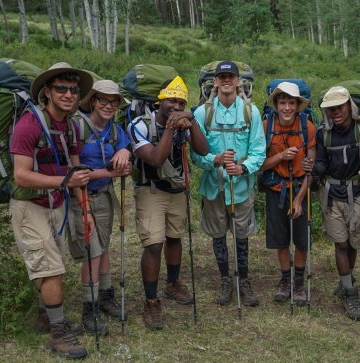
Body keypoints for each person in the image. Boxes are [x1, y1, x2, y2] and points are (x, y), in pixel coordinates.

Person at [12, 62, 93, 359]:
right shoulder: (29, 125)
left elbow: (76, 169)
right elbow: (21, 174)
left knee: (49, 263)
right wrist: (64, 181)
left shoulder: (70, 126)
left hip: (56, 203)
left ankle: (46, 316)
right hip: (29, 205)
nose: (69, 94)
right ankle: (58, 333)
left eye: (74, 89)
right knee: (52, 269)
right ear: (47, 92)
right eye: (62, 88)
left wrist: (85, 211)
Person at [127, 75, 210, 329]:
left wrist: (192, 122)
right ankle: (151, 303)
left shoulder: (185, 121)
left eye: (180, 102)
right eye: (171, 101)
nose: (175, 106)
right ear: (159, 101)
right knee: (153, 244)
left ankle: (172, 284)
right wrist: (173, 128)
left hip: (176, 189)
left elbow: (203, 150)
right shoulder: (140, 126)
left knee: (175, 237)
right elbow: (154, 159)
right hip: (150, 190)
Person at [191, 61, 266, 308]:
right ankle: (225, 279)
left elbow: (258, 150)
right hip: (214, 186)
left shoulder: (250, 112)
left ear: (237, 82)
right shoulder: (202, 114)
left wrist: (243, 168)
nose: (226, 80)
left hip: (242, 187)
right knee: (218, 235)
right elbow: (195, 154)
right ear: (215, 81)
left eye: (230, 76)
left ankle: (243, 280)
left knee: (241, 235)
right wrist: (215, 160)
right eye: (221, 76)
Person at [67, 80, 133, 335]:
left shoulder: (115, 130)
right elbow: (74, 171)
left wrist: (125, 153)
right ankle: (89, 308)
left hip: (105, 195)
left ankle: (106, 297)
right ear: (92, 101)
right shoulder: (77, 126)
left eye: (113, 101)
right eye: (102, 100)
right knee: (91, 252)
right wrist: (111, 173)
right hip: (80, 196)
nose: (108, 106)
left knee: (103, 247)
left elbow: (124, 148)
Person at [312, 86, 360, 320]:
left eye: (340, 107)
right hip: (332, 195)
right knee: (341, 244)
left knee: (354, 243)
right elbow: (322, 164)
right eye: (331, 108)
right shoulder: (323, 134)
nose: (336, 112)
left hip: (358, 194)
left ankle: (347, 278)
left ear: (349, 107)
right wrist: (313, 170)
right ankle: (350, 293)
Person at [260, 82, 317, 306]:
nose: (286, 108)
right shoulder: (265, 126)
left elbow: (311, 169)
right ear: (275, 104)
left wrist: (300, 199)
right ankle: (285, 280)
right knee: (281, 240)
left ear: (297, 105)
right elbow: (260, 165)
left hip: (301, 187)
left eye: (291, 103)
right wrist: (281, 156)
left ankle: (299, 282)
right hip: (276, 189)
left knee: (301, 240)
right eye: (282, 102)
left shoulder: (307, 127)